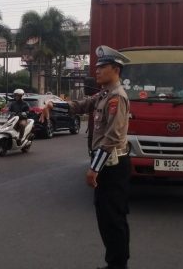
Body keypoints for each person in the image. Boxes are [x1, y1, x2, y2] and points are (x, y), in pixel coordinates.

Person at [43, 45, 131, 269]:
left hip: (113, 166)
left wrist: (94, 168)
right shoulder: (103, 94)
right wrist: (54, 106)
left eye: (102, 67)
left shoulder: (117, 98)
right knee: (105, 217)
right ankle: (114, 263)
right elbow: (80, 106)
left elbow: (111, 138)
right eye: (97, 66)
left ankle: (118, 265)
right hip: (106, 165)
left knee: (113, 218)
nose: (97, 70)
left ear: (116, 69)